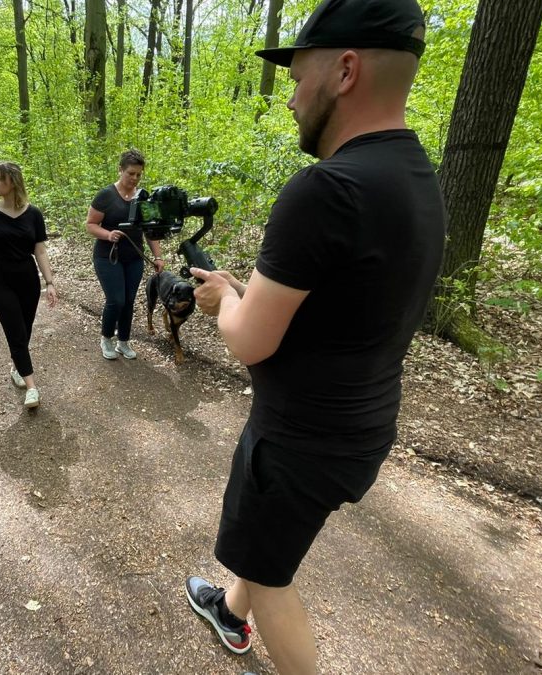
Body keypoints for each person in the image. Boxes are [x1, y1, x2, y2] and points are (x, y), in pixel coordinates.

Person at [181, 1, 446, 672]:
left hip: (297, 443)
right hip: (361, 426)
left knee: (269, 574)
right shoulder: (416, 177)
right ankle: (226, 609)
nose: (290, 99)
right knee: (267, 546)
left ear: (346, 70)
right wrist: (253, 295)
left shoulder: (324, 190)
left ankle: (248, 612)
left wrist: (224, 298)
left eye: (299, 77)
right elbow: (344, 302)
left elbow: (248, 342)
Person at [0, 161, 58, 409]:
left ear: (13, 181)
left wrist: (49, 282)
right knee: (15, 331)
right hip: (1, 278)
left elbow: (40, 251)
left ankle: (17, 367)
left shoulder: (34, 214)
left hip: (28, 278)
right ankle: (32, 388)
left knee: (24, 329)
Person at [85, 149, 165, 360]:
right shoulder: (106, 195)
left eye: (138, 174)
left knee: (129, 300)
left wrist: (158, 257)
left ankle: (123, 341)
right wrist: (108, 234)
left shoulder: (144, 197)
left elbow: (151, 230)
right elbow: (91, 225)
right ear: (120, 170)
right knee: (116, 299)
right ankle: (106, 338)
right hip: (107, 256)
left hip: (134, 257)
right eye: (130, 173)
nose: (134, 178)